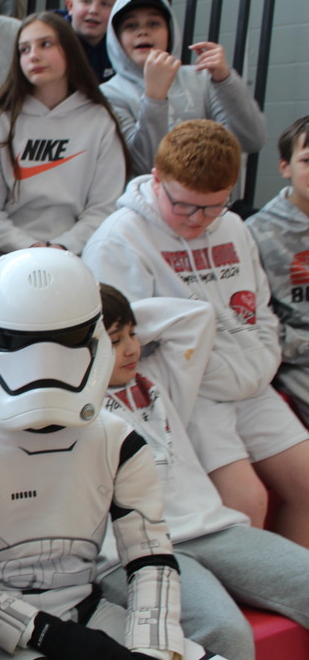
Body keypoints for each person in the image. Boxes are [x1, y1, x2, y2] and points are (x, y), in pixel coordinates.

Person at [0, 247, 217, 660]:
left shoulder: (118, 440)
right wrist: (49, 635)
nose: (45, 362)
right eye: (22, 343)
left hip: (87, 610)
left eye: (65, 341)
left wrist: (153, 647)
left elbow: (150, 554)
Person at [83, 119, 309, 548]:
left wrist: (261, 364)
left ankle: (287, 599)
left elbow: (259, 310)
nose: (197, 220)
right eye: (184, 206)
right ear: (157, 180)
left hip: (250, 381)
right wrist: (209, 374)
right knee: (246, 501)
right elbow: (127, 346)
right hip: (188, 391)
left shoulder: (234, 228)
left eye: (212, 208)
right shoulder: (118, 240)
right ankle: (239, 608)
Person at [98, 283, 309, 660]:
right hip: (130, 551)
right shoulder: (66, 406)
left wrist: (111, 314)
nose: (132, 348)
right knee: (223, 630)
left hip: (212, 528)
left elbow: (194, 317)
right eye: (114, 341)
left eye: (133, 334)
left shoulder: (158, 375)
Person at [0, 12, 126, 255]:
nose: (33, 55)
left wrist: (62, 248)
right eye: (24, 49)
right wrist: (31, 248)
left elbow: (103, 208)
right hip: (8, 255)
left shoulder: (99, 121)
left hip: (81, 252)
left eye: (45, 44)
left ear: (70, 50)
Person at [101, 0, 266, 176]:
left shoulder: (202, 77)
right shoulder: (108, 94)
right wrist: (155, 97)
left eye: (154, 23)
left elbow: (252, 140)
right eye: (131, 26)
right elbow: (144, 167)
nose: (143, 32)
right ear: (116, 39)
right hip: (145, 204)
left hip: (210, 200)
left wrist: (225, 80)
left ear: (170, 33)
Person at [248, 115, 309, 425]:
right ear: (285, 167)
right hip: (297, 361)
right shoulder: (255, 233)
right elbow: (256, 321)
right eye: (308, 160)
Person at [58, 0, 123, 82]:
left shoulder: (122, 47)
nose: (94, 10)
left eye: (105, 4)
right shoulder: (51, 42)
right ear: (70, 6)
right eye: (86, 1)